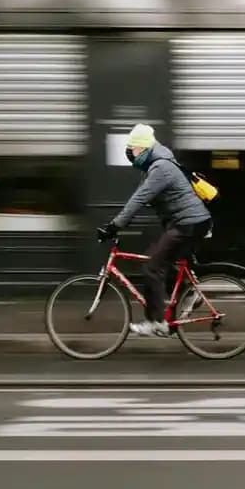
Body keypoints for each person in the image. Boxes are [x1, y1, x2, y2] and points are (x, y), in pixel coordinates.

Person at [99, 124, 212, 338]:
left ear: (142, 149)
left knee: (152, 267)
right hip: (188, 222)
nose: (130, 154)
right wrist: (121, 223)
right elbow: (142, 199)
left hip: (188, 223)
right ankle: (191, 295)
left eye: (132, 149)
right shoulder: (157, 165)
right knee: (158, 257)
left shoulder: (160, 168)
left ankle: (156, 322)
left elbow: (138, 200)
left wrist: (114, 226)